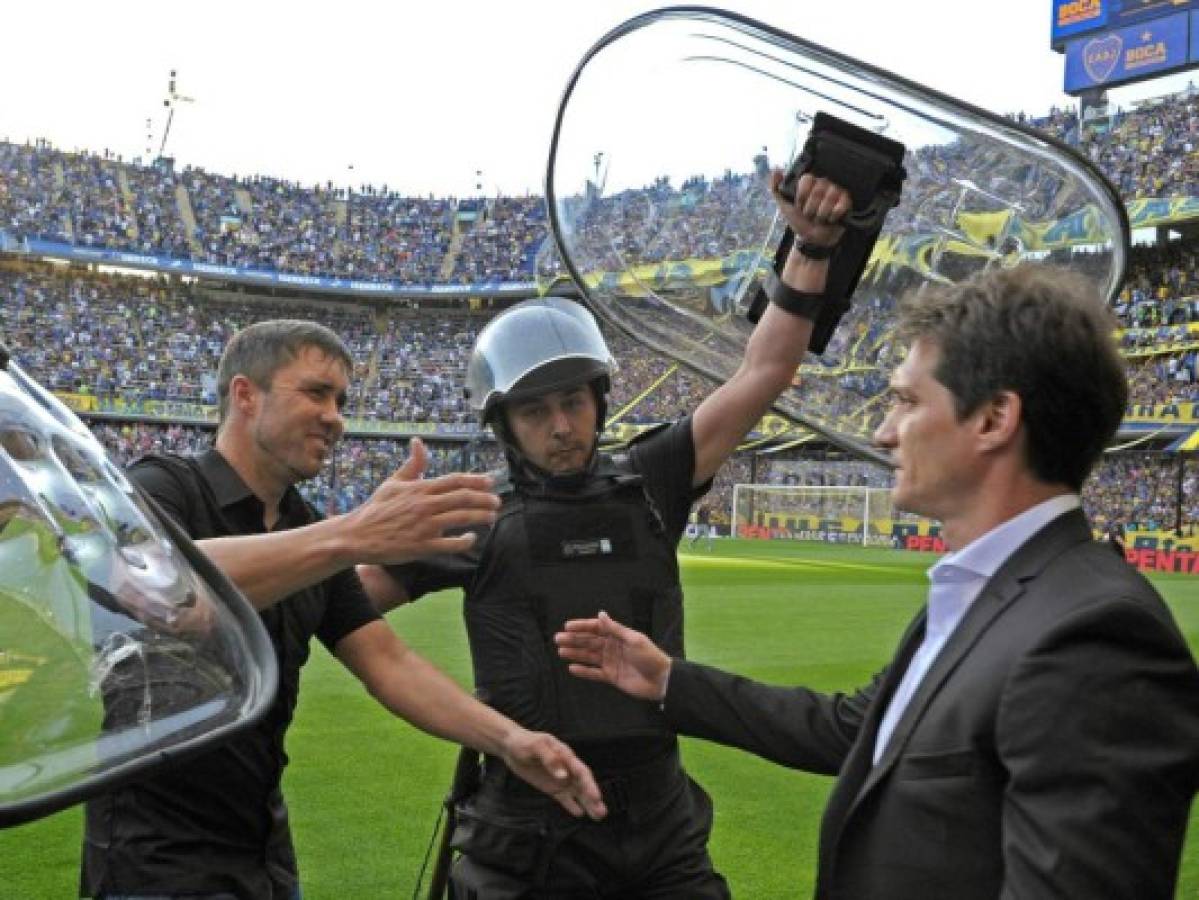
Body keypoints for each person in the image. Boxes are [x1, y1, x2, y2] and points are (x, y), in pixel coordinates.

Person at [556, 264, 1199, 899]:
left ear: (994, 419)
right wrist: (668, 679)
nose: (883, 432)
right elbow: (850, 729)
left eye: (907, 401)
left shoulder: (1096, 637)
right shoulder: (985, 594)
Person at [367, 172, 855, 898]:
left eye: (573, 402)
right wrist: (359, 536)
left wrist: (810, 248)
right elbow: (341, 608)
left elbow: (767, 369)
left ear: (599, 400)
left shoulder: (653, 478)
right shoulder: (474, 514)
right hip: (527, 830)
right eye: (536, 411)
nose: (561, 426)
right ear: (503, 425)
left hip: (658, 823)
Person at [81, 320, 606, 900]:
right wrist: (352, 534)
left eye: (341, 400)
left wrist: (510, 742)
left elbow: (388, 662)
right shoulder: (164, 486)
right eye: (315, 393)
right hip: (152, 857)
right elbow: (149, 586)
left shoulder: (307, 528)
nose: (335, 416)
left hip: (262, 849)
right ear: (244, 395)